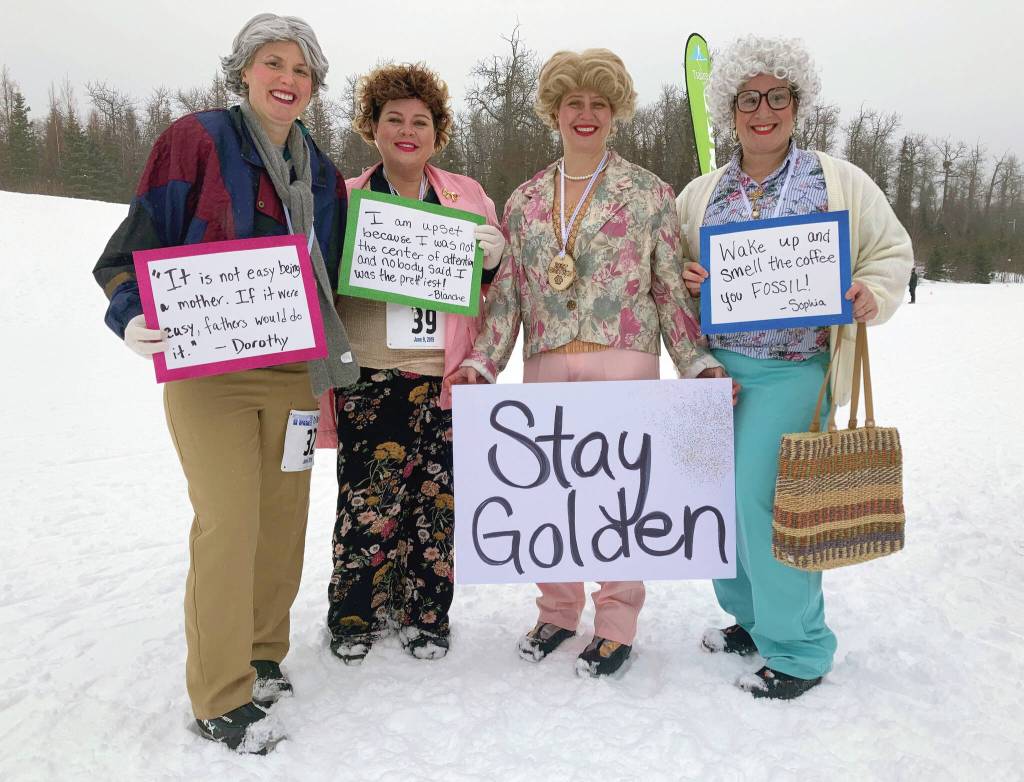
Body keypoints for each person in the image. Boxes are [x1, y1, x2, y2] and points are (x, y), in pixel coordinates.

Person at [92, 14, 359, 753]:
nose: (289, 79)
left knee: (281, 524)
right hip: (212, 374)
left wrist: (476, 263)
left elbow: (346, 271)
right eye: (274, 62)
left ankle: (261, 651)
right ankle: (218, 694)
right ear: (244, 71)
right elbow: (131, 246)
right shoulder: (199, 140)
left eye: (303, 70)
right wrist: (132, 313)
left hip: (293, 377)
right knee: (228, 524)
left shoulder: (323, 173)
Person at [446, 49, 725, 678]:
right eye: (575, 103)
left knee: (618, 498)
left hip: (622, 353)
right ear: (555, 111)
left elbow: (667, 288)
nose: (587, 114)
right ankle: (557, 610)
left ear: (616, 113)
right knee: (551, 494)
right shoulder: (522, 201)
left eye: (600, 104)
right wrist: (484, 363)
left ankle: (618, 620)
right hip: (547, 357)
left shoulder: (649, 192)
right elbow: (510, 293)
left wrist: (698, 364)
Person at [676, 35, 913, 700]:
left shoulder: (836, 180)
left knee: (766, 504)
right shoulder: (703, 192)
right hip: (718, 371)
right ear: (729, 108)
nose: (762, 110)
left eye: (776, 96)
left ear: (796, 103)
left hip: (795, 372)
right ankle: (750, 618)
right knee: (719, 505)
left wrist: (871, 291)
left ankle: (801, 648)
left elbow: (892, 249)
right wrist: (688, 275)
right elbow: (667, 271)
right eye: (748, 98)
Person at [320, 63, 505, 665]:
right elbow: (318, 282)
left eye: (420, 121)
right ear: (371, 126)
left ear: (437, 132)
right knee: (369, 502)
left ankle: (426, 611)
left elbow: (495, 284)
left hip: (446, 376)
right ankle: (355, 611)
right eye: (393, 119)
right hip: (371, 373)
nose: (407, 130)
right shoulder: (345, 198)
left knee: (437, 499)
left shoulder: (466, 194)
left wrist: (494, 258)